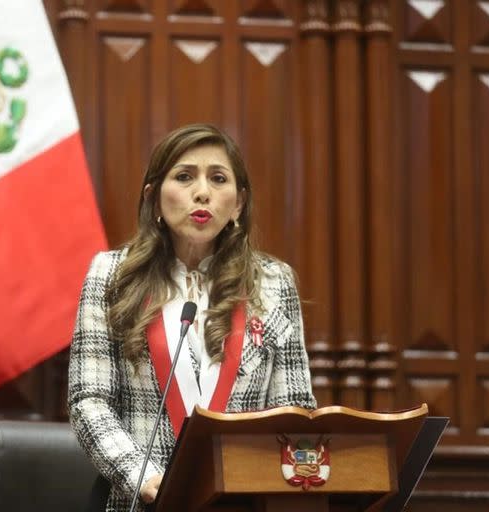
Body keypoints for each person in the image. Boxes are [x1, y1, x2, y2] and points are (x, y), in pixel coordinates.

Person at [67, 124, 317, 511]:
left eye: (218, 179)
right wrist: (145, 477)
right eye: (184, 177)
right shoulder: (111, 276)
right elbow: (89, 402)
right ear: (153, 199)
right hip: (145, 500)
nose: (202, 192)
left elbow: (295, 409)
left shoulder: (273, 283)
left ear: (238, 204)